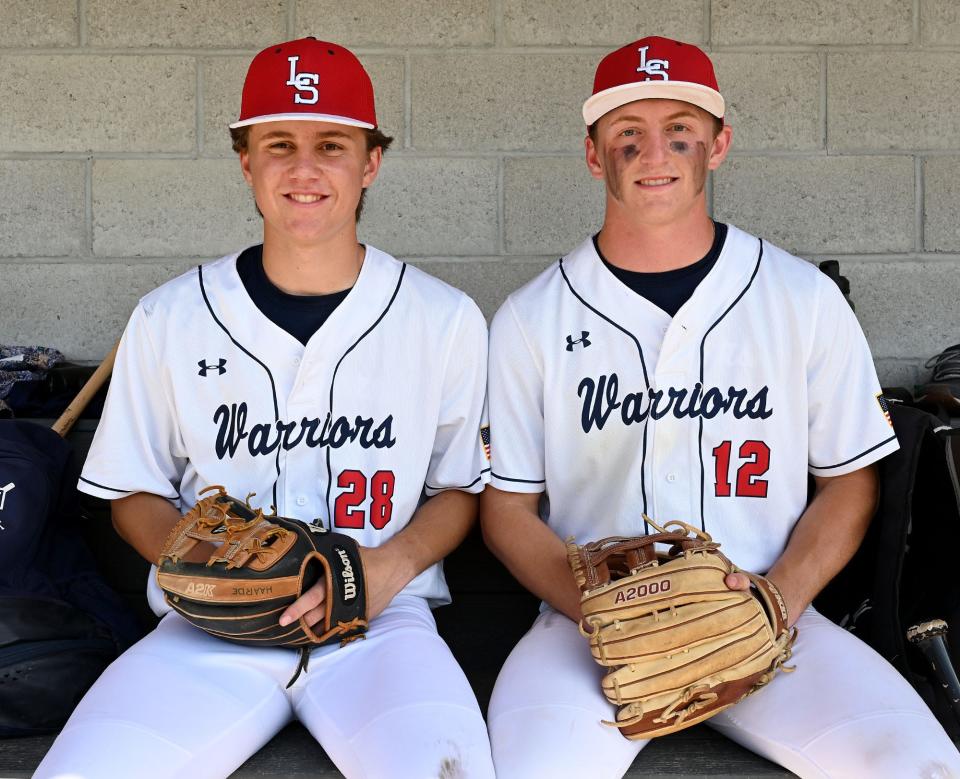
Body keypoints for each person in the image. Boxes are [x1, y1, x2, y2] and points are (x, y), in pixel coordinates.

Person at [482, 35, 960, 778]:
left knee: (920, 764)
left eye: (680, 130)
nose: (655, 152)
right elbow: (507, 509)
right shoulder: (529, 317)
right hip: (586, 635)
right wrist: (597, 607)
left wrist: (778, 600)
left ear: (718, 144)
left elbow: (849, 482)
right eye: (627, 135)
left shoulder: (802, 299)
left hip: (773, 615)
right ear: (592, 153)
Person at [36, 37, 495, 779]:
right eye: (278, 143)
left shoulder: (443, 319)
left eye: (331, 144)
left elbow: (461, 490)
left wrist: (386, 567)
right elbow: (131, 491)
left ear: (371, 162)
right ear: (245, 160)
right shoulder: (171, 315)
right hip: (201, 632)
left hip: (381, 625)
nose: (304, 167)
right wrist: (217, 576)